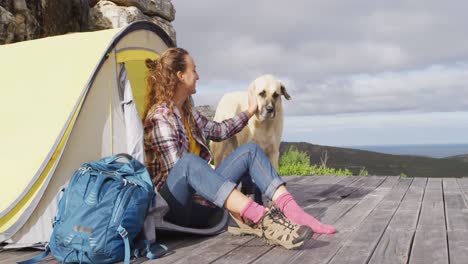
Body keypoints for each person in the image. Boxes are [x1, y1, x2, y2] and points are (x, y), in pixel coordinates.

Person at [142, 48, 336, 249]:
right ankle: (263, 219)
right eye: (194, 69)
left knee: (250, 150)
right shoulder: (160, 118)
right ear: (180, 76)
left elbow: (218, 130)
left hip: (201, 202)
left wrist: (250, 111)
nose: (198, 76)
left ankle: (292, 210)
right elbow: (180, 173)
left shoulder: (186, 112)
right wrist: (228, 192)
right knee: (189, 163)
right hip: (174, 211)